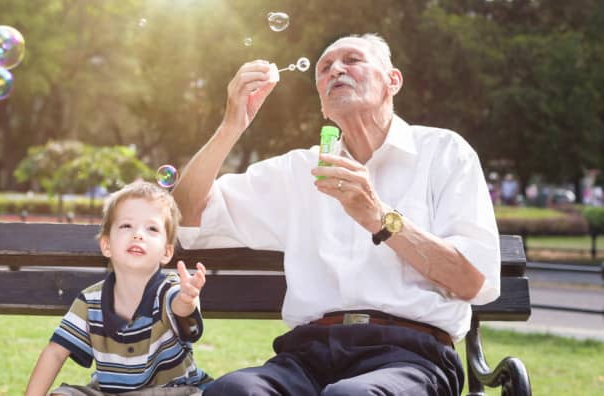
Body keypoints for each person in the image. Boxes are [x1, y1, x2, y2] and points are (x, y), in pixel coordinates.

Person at [173, 33, 500, 395]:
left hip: (411, 356)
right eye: (325, 68)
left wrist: (379, 217)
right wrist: (231, 125)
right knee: (233, 391)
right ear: (324, 108)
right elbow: (187, 213)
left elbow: (472, 281)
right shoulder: (297, 171)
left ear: (393, 80)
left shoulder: (444, 153)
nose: (336, 70)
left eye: (352, 60)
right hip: (308, 354)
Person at [26, 181, 211, 396]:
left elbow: (179, 306)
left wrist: (188, 299)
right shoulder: (90, 301)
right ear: (107, 245)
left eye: (151, 228)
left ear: (166, 253)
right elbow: (56, 352)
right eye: (126, 226)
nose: (138, 234)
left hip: (170, 390)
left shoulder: (168, 289)